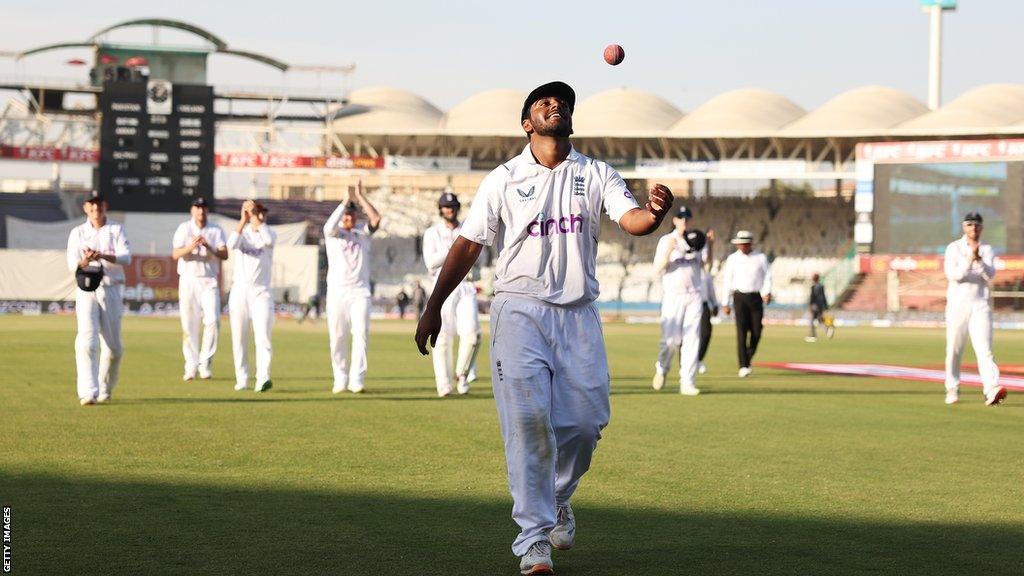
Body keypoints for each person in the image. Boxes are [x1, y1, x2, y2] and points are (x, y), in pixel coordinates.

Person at [415, 81, 673, 576]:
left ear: (572, 119)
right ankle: (533, 541)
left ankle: (558, 497)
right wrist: (434, 306)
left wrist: (656, 213)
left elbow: (633, 220)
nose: (556, 105)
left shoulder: (596, 172)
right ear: (527, 123)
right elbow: (469, 244)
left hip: (578, 315)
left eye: (564, 102)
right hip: (520, 312)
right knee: (529, 426)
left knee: (584, 425)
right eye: (543, 102)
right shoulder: (504, 178)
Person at [66, 191, 131, 405]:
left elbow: (126, 257)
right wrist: (85, 260)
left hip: (111, 288)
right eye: (91, 205)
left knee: (114, 348)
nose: (96, 209)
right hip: (86, 288)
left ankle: (105, 387)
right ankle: (88, 391)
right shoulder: (77, 232)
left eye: (99, 205)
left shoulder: (116, 229)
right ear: (85, 208)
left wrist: (102, 255)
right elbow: (72, 265)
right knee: (87, 340)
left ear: (105, 206)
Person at [422, 191, 481, 397]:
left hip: (465, 285)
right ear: (440, 210)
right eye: (447, 207)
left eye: (453, 206)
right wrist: (456, 249)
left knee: (472, 335)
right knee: (442, 337)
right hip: (442, 286)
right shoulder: (432, 233)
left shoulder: (467, 228)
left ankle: (462, 375)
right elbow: (430, 262)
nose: (450, 210)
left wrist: (459, 248)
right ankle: (443, 384)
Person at [324, 180, 381, 394]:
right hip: (338, 292)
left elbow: (376, 219)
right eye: (345, 215)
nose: (348, 218)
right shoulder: (333, 235)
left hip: (360, 292)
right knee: (338, 336)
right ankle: (340, 377)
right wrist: (344, 202)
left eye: (351, 214)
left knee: (361, 334)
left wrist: (360, 196)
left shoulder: (362, 234)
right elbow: (328, 226)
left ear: (356, 217)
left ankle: (357, 378)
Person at [943, 212, 1005, 406]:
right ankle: (952, 388)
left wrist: (979, 260)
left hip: (980, 305)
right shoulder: (954, 248)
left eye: (977, 225)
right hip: (957, 304)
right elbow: (954, 275)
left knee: (985, 349)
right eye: (970, 225)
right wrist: (970, 260)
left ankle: (991, 389)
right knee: (954, 348)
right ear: (964, 227)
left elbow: (990, 275)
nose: (973, 229)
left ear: (981, 228)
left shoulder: (987, 249)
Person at [651, 207, 707, 395]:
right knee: (671, 340)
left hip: (694, 295)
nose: (684, 221)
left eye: (687, 218)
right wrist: (669, 251)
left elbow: (708, 266)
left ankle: (687, 382)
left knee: (693, 338)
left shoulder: (697, 239)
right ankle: (662, 368)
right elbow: (657, 269)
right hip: (673, 295)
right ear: (675, 220)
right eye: (681, 217)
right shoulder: (666, 240)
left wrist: (711, 245)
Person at [172, 197, 228, 380]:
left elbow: (224, 254)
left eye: (203, 208)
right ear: (192, 211)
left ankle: (205, 363)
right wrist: (192, 246)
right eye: (197, 208)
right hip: (188, 279)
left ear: (207, 211)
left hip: (208, 280)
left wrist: (208, 246)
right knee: (189, 324)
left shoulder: (215, 229)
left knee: (213, 321)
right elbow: (175, 254)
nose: (201, 212)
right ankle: (191, 364)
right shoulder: (184, 228)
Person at [227, 200, 276, 393]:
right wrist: (243, 220)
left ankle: (263, 377)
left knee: (263, 335)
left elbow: (268, 241)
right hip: (240, 290)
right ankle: (242, 378)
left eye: (262, 212)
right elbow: (231, 244)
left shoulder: (269, 232)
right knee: (239, 337)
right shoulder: (243, 233)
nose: (260, 215)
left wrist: (255, 219)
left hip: (261, 291)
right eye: (257, 212)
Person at [720, 230, 771, 378]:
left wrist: (766, 292)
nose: (742, 247)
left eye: (745, 244)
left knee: (757, 331)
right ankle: (743, 365)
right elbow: (727, 281)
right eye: (740, 244)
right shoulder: (732, 259)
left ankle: (748, 356)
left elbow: (768, 276)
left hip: (756, 297)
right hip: (739, 297)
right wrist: (725, 302)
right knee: (741, 332)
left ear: (750, 244)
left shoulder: (760, 258)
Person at [698, 267, 719, 375]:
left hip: (703, 304)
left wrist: (715, 304)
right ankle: (685, 362)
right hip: (687, 304)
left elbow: (711, 290)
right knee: (685, 335)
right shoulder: (685, 269)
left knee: (706, 333)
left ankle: (698, 359)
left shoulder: (705, 274)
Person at [806, 273, 828, 342]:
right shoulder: (821, 286)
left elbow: (812, 298)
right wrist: (826, 306)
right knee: (820, 320)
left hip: (814, 306)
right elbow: (824, 297)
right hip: (820, 306)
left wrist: (810, 306)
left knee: (811, 321)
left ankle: (812, 336)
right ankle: (827, 330)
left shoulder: (813, 287)